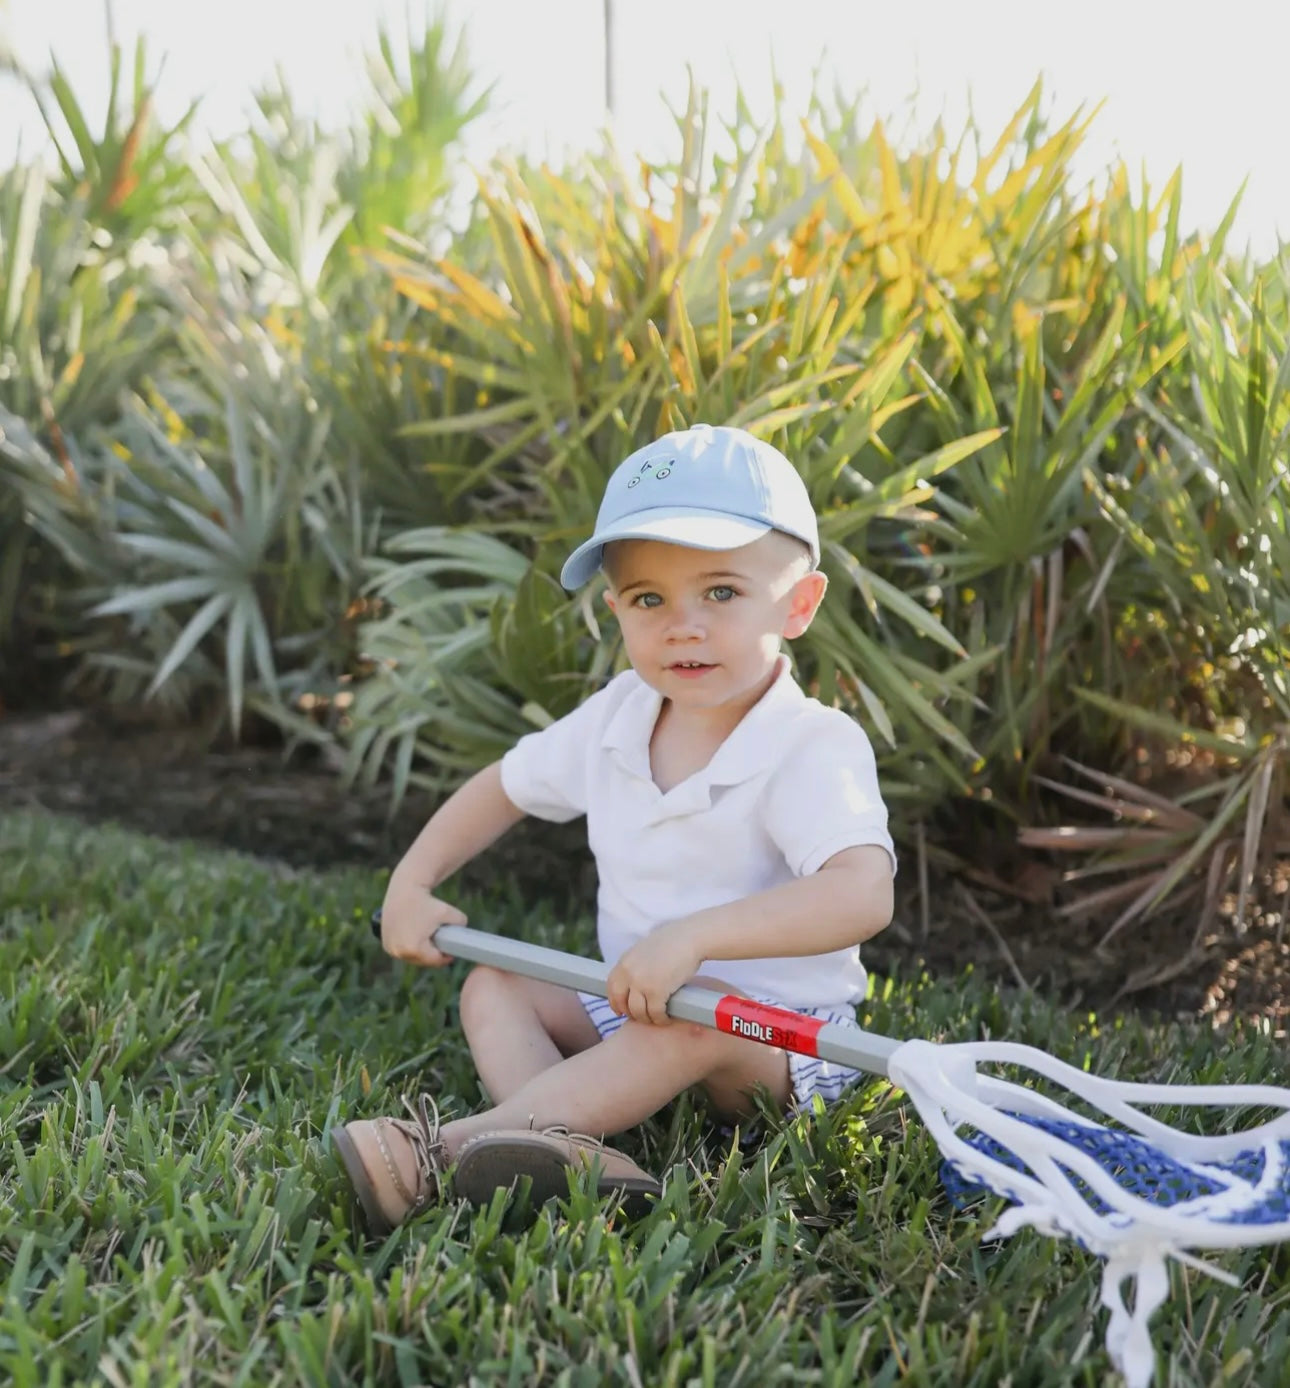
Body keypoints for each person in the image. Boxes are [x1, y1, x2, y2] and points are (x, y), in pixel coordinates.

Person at [331, 423, 896, 1233]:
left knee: (692, 1015)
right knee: (496, 986)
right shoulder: (619, 716)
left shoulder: (810, 744)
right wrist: (413, 882)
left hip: (772, 1039)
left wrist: (697, 936)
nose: (683, 625)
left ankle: (442, 1155)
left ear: (799, 605)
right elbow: (506, 786)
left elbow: (860, 894)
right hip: (634, 998)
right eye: (649, 599)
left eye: (723, 592)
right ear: (616, 611)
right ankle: (562, 1149)